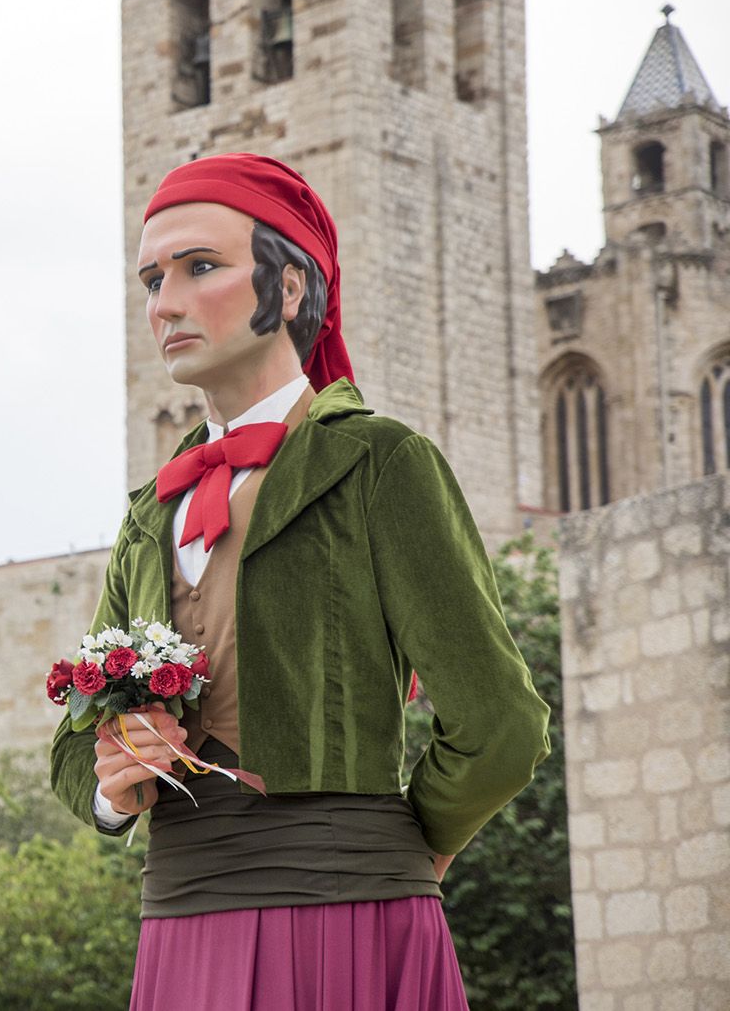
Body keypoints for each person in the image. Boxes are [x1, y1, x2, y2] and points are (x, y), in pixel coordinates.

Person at [49, 153, 551, 1009]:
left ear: (288, 288)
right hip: (179, 925)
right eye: (151, 279)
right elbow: (72, 746)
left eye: (200, 267)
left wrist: (397, 845)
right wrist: (111, 788)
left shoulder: (381, 464)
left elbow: (501, 723)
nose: (164, 303)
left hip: (349, 923)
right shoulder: (148, 513)